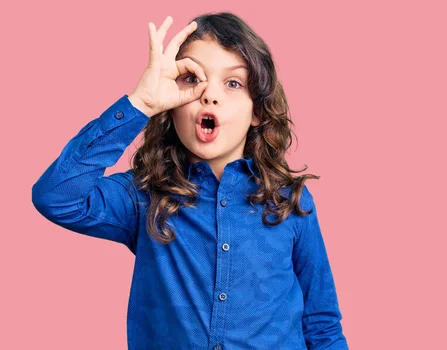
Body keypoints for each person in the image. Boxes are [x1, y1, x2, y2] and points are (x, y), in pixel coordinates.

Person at [31, 12, 348, 349]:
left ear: (257, 110)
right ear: (173, 104)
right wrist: (141, 103)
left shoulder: (289, 201)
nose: (210, 95)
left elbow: (322, 324)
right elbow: (57, 196)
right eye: (192, 79)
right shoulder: (144, 197)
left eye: (233, 83)